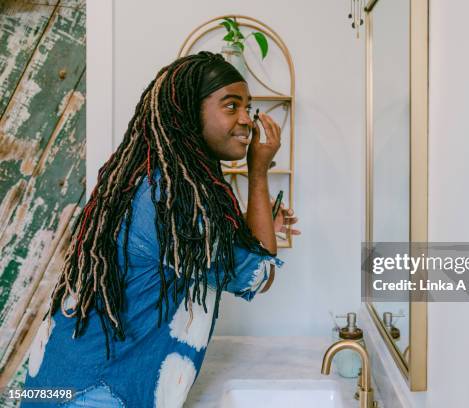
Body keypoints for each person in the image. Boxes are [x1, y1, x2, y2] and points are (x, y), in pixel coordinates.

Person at [22, 51, 299, 407]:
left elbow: (239, 255)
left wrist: (260, 225)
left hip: (69, 382)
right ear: (188, 112)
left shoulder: (163, 186)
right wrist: (258, 171)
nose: (248, 119)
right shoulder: (168, 201)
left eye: (249, 107)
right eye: (232, 106)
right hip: (89, 396)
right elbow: (258, 274)